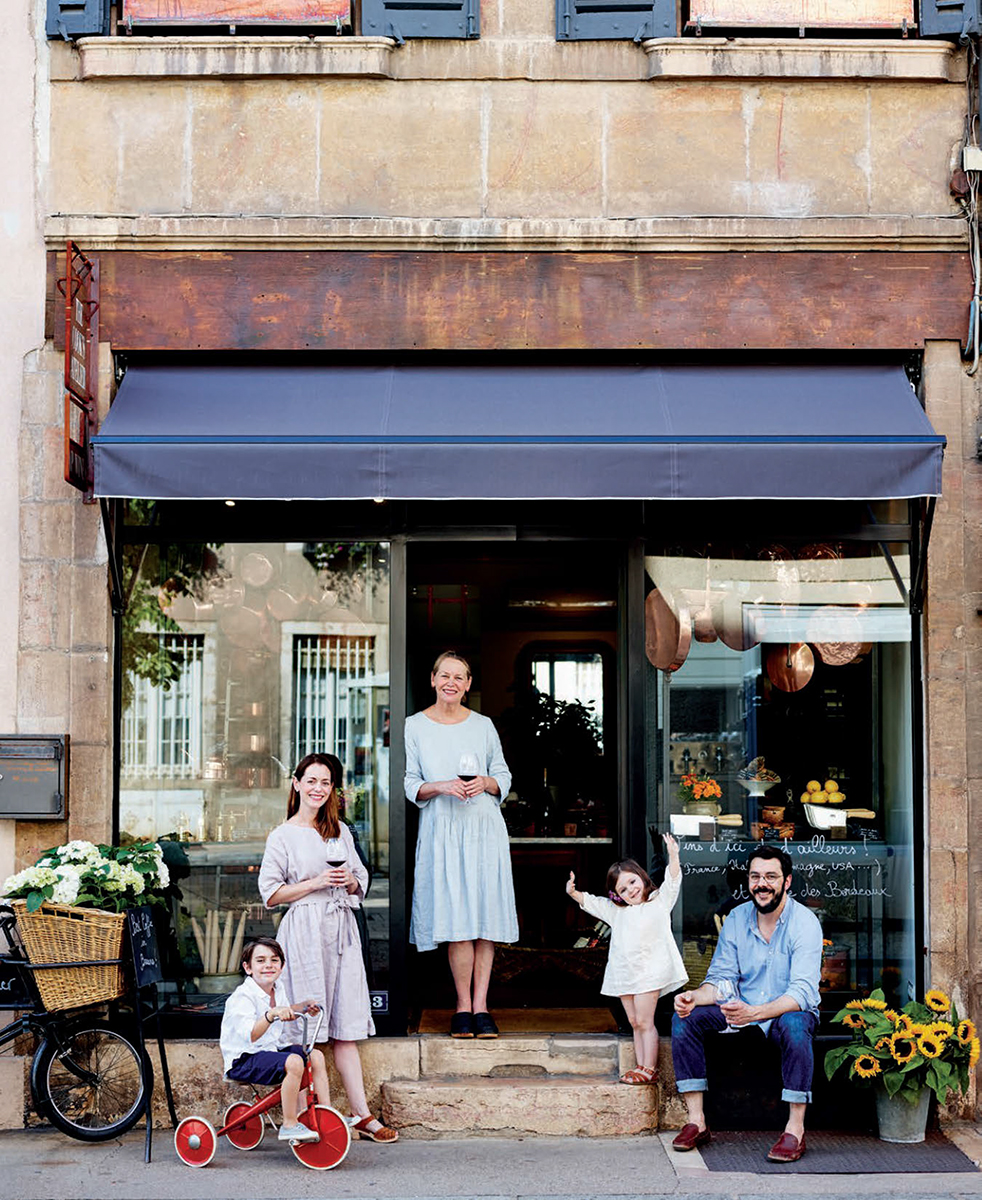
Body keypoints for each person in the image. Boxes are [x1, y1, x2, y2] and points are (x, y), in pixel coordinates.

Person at [258, 752, 398, 1143]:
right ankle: (306, 1120)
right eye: (312, 781)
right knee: (309, 1029)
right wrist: (316, 882)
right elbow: (271, 893)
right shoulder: (282, 835)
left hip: (340, 930)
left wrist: (350, 882)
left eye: (326, 783)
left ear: (333, 789)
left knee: (346, 1027)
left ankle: (362, 1115)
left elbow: (360, 880)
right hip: (303, 931)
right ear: (297, 784)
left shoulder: (340, 832)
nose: (319, 789)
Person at [670, 844, 822, 1164]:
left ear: (787, 881)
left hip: (784, 1012)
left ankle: (795, 1129)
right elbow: (723, 978)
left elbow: (803, 992)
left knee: (797, 1024)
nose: (761, 884)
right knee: (684, 1018)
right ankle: (697, 1121)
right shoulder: (737, 919)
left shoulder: (805, 923)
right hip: (740, 1009)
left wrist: (757, 1012)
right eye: (755, 876)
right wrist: (694, 997)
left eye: (770, 876)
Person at [404, 650, 518, 1039]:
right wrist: (441, 786)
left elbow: (502, 773)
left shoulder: (483, 725)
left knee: (484, 918)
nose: (452, 682)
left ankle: (482, 1006)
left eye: (460, 677)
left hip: (483, 828)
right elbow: (409, 782)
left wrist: (485, 782)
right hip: (443, 829)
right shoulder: (414, 726)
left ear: (468, 685)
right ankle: (462, 1006)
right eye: (445, 675)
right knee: (456, 921)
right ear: (433, 679)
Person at [565, 835, 687, 1084]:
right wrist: (574, 893)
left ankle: (648, 1068)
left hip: (650, 972)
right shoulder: (617, 911)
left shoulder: (659, 903)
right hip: (625, 973)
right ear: (616, 894)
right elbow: (594, 903)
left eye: (632, 881)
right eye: (623, 889)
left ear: (642, 877)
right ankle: (641, 1066)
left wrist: (673, 855)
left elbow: (673, 880)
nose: (631, 889)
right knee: (633, 1021)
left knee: (644, 1020)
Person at [218, 937, 328, 1144]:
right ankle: (289, 1125)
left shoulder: (277, 989)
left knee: (315, 1055)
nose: (268, 965)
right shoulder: (242, 997)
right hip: (243, 1060)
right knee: (294, 1062)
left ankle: (326, 1113)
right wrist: (270, 1015)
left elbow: (285, 1011)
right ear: (248, 968)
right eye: (260, 961)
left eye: (274, 960)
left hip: (269, 1051)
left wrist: (303, 1007)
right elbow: (252, 1034)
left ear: (282, 966)